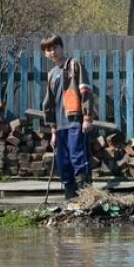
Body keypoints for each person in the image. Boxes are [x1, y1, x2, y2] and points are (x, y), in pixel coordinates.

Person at [41, 34, 95, 199]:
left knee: (78, 159)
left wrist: (87, 118)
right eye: (48, 49)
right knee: (64, 163)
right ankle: (70, 199)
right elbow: (49, 103)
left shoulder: (74, 65)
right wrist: (53, 130)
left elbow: (85, 91)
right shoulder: (51, 74)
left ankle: (87, 198)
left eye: (55, 47)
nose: (53, 52)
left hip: (75, 122)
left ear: (62, 48)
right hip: (60, 125)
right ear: (45, 54)